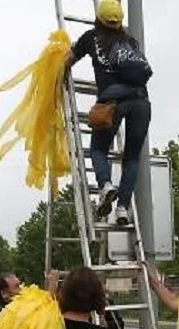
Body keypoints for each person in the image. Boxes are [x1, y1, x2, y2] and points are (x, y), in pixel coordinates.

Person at [66, 0, 153, 226]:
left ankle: (105, 185)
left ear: (100, 18)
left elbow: (68, 61)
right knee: (132, 158)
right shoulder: (131, 41)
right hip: (141, 103)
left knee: (98, 148)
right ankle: (123, 208)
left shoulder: (91, 38)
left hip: (111, 103)